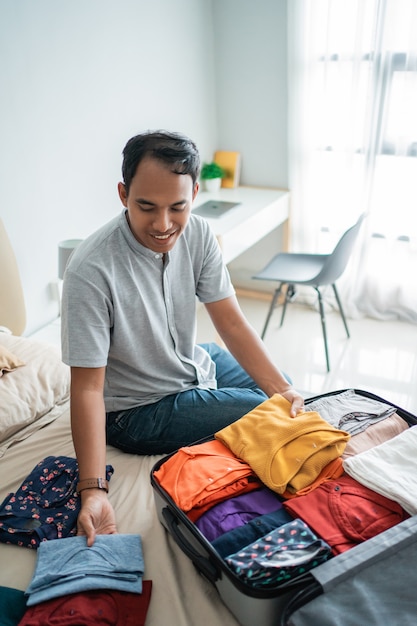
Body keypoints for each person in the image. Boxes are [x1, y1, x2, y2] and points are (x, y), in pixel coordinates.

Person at [61, 130, 305, 546]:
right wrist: (93, 489)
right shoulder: (91, 270)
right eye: (146, 207)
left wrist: (281, 387)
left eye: (177, 207)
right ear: (123, 194)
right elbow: (87, 388)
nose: (162, 225)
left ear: (194, 191)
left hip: (190, 363)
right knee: (265, 411)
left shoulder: (200, 234)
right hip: (136, 410)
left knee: (284, 394)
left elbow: (230, 323)